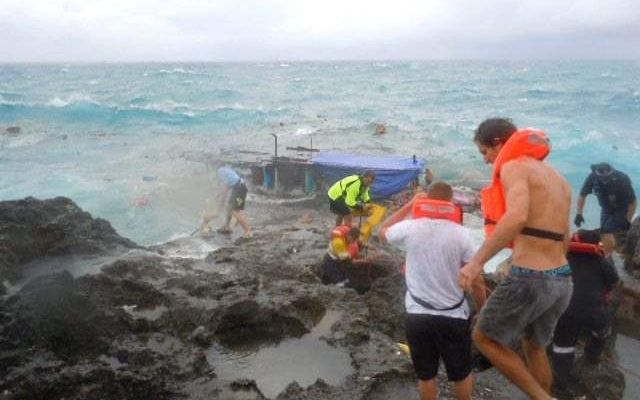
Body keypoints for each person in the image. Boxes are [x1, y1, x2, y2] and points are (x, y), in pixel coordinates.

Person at [458, 118, 573, 400]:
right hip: (562, 279)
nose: (486, 162)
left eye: (484, 152)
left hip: (531, 278)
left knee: (483, 338)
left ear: (498, 143)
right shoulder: (557, 178)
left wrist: (476, 263)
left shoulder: (513, 167)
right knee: (534, 346)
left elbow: (517, 216)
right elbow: (566, 235)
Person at [380, 181, 486, 400]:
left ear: (427, 199)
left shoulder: (410, 227)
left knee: (426, 375)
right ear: (450, 202)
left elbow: (383, 231)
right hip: (453, 316)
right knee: (460, 373)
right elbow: (477, 278)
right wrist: (482, 309)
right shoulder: (462, 234)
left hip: (417, 316)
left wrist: (410, 205)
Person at [551, 229, 619, 397]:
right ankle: (592, 355)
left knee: (562, 346)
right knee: (602, 331)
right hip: (593, 311)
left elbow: (553, 278)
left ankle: (559, 381)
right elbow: (614, 280)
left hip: (566, 310)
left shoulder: (566, 259)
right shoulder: (602, 262)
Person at [574, 162, 636, 255]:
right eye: (602, 177)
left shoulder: (622, 179)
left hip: (622, 208)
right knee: (605, 230)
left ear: (612, 173)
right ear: (597, 174)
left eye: (607, 177)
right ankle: (611, 249)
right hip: (606, 208)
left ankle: (608, 257)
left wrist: (627, 220)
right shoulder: (592, 177)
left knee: (606, 231)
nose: (605, 180)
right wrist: (579, 214)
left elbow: (633, 202)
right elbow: (582, 195)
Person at [327, 170, 386, 243]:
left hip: (341, 195)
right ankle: (347, 235)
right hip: (335, 194)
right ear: (364, 177)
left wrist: (368, 203)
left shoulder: (365, 185)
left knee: (341, 213)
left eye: (371, 182)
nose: (369, 184)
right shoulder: (356, 184)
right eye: (368, 181)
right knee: (348, 215)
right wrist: (361, 207)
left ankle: (336, 231)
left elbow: (365, 195)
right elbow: (349, 202)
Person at [216, 165, 252, 238]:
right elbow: (228, 186)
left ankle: (248, 231)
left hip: (239, 188)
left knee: (235, 211)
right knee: (229, 207)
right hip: (238, 187)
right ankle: (227, 226)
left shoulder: (220, 171)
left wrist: (220, 204)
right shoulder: (225, 169)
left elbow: (225, 188)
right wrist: (219, 194)